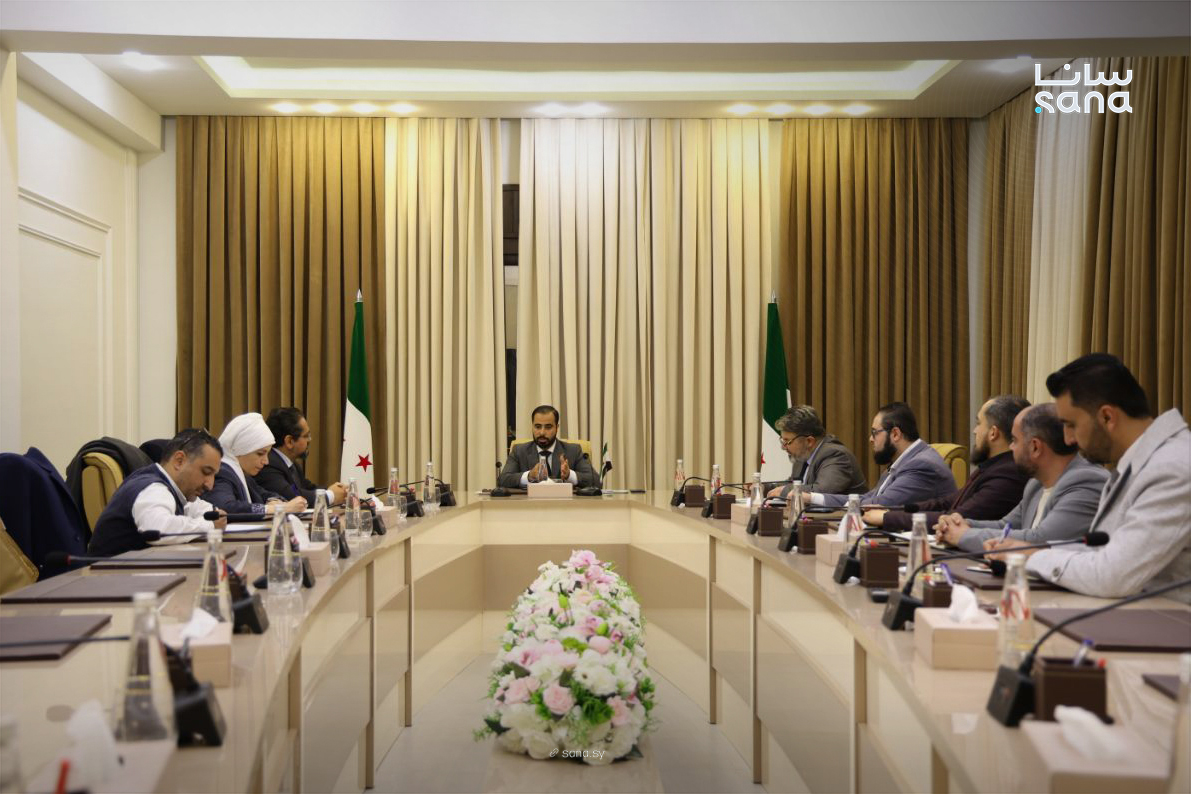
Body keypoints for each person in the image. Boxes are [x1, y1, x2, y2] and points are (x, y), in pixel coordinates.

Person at [989, 354, 1190, 601]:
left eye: (1071, 424)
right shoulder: (1141, 462)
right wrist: (1030, 550)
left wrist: (1032, 556)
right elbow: (1104, 551)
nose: (1068, 439)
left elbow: (1112, 575)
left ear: (1107, 417)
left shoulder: (1173, 468)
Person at [936, 403, 1108, 552]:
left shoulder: (1087, 482)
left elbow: (1040, 540)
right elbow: (1006, 526)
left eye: (1015, 440)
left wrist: (963, 536)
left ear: (1035, 447)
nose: (1011, 447)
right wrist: (960, 524)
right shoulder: (1036, 483)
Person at [864, 395, 1030, 530]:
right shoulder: (993, 467)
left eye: (979, 423)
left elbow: (958, 518)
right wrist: (895, 510)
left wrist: (888, 517)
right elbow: (946, 502)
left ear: (993, 433)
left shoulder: (1008, 474)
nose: (975, 431)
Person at [88, 429, 228, 556]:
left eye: (213, 475)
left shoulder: (176, 490)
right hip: (107, 574)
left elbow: (201, 509)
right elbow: (159, 530)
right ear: (179, 461)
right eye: (206, 472)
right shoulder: (153, 488)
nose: (210, 485)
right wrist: (209, 525)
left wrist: (214, 517)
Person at [805, 402, 955, 509]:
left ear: (895, 434)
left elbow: (880, 504)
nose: (870, 439)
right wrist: (811, 497)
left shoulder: (921, 465)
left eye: (874, 432)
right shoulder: (902, 462)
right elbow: (868, 498)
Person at [205, 412, 307, 515]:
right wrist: (277, 509)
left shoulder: (243, 474)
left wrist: (273, 500)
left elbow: (264, 494)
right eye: (260, 454)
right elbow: (226, 508)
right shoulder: (222, 472)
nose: (266, 461)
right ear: (240, 450)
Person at [765, 405, 866, 499]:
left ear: (809, 441)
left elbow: (822, 491)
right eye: (782, 440)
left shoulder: (835, 455)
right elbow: (792, 484)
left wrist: (783, 491)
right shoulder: (802, 455)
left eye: (788, 441)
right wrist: (765, 488)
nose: (783, 447)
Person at [255, 407, 346, 506]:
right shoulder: (269, 464)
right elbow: (293, 497)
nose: (310, 440)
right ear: (289, 441)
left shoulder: (290, 464)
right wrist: (331, 495)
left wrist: (338, 490)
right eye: (306, 436)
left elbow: (309, 488)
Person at [498, 405, 597, 489]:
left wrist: (570, 475)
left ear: (557, 428)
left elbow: (596, 481)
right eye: (537, 427)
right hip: (530, 505)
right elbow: (503, 480)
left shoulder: (573, 450)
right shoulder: (519, 451)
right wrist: (529, 476)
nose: (542, 432)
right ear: (532, 427)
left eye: (548, 427)